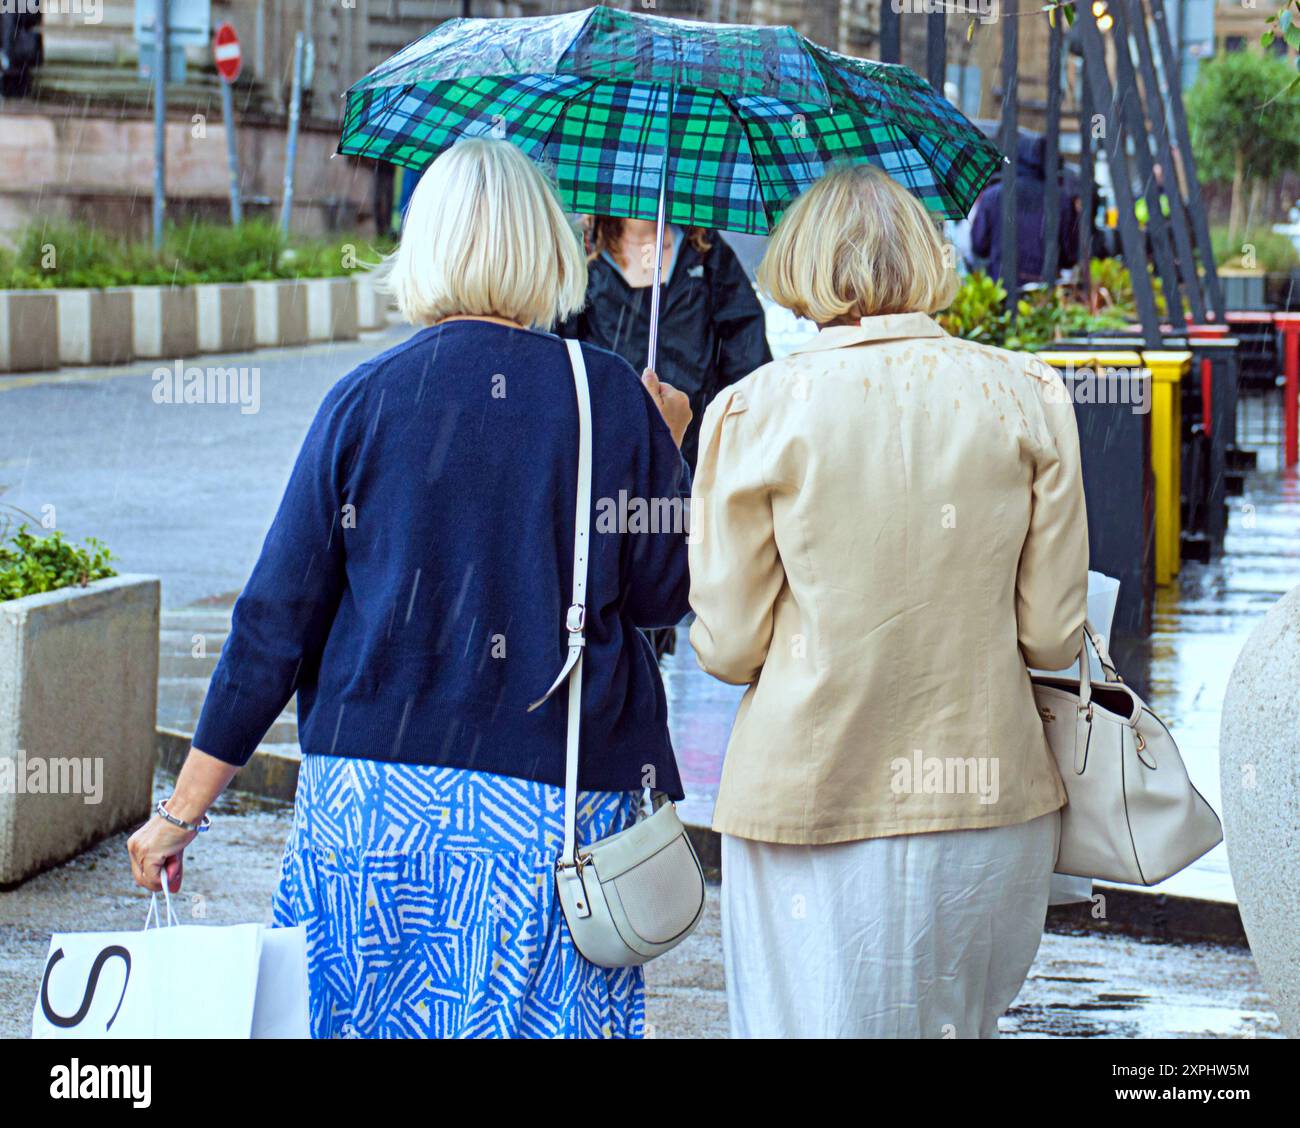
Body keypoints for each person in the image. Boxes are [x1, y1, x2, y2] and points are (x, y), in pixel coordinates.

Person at [127, 138, 695, 1040]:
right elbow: (667, 596)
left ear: (426, 244)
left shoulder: (365, 400)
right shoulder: (609, 399)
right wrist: (663, 446)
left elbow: (273, 624)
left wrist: (179, 815)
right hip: (548, 813)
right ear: (546, 244)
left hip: (369, 803)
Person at [689, 163, 1089, 1039]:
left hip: (808, 797)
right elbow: (1056, 637)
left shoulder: (749, 413)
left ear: (800, 264)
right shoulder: (1026, 395)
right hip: (987, 797)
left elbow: (726, 646)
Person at [560, 215, 771, 471]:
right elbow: (560, 353)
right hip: (607, 449)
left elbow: (744, 345)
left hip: (697, 449)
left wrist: (738, 429)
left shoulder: (704, 248)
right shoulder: (582, 253)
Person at [970, 133, 1080, 285]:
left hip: (1001, 287)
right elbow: (1070, 255)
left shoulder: (993, 196)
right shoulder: (1061, 200)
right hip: (1042, 291)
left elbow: (979, 245)